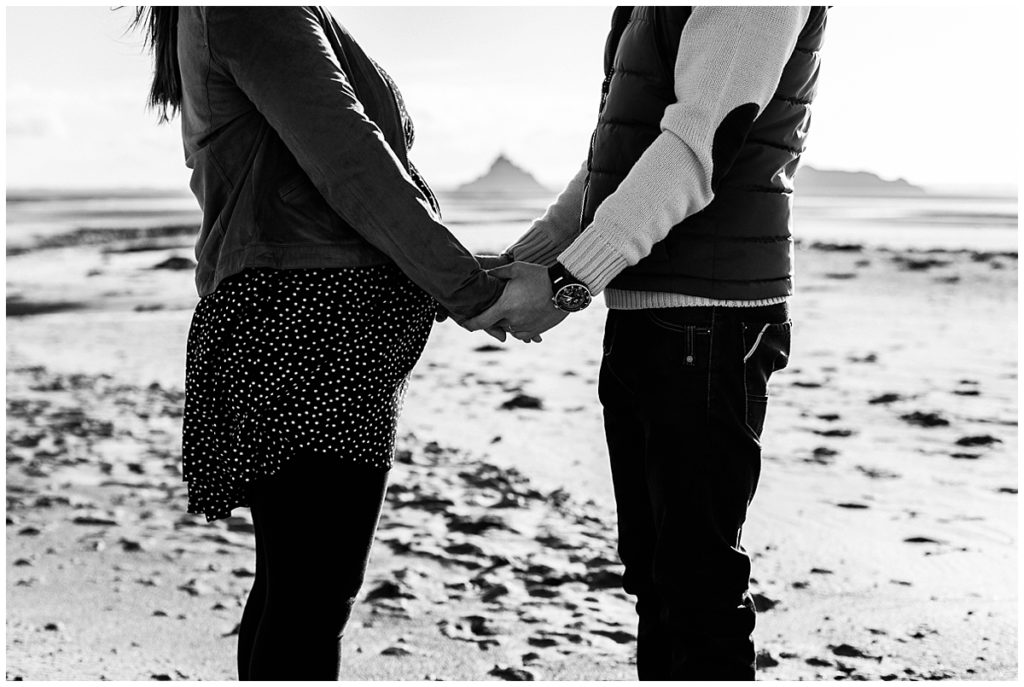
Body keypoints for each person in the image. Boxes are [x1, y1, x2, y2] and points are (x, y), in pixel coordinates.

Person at [132, 6, 512, 680]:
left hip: (303, 328)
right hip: (310, 332)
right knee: (310, 596)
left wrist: (464, 278)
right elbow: (350, 157)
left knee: (294, 587)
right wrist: (470, 289)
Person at [467, 6, 828, 680]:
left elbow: (695, 149)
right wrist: (529, 261)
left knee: (698, 586)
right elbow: (618, 161)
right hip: (645, 314)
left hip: (710, 320)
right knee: (655, 577)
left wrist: (567, 283)